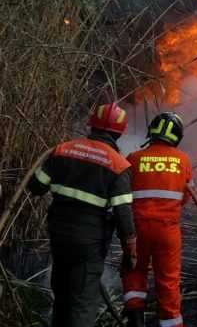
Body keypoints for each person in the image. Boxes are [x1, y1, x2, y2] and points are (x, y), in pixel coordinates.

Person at [28, 102, 137, 327]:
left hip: (58, 236)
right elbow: (123, 214)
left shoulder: (63, 150)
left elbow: (37, 187)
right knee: (82, 304)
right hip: (89, 244)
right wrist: (130, 251)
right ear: (119, 132)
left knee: (62, 296)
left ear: (92, 125)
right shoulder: (119, 166)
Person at [122, 112, 192, 327]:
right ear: (177, 136)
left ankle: (135, 319)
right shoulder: (183, 160)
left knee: (134, 269)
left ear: (151, 131)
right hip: (167, 231)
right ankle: (171, 323)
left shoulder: (133, 158)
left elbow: (122, 195)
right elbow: (186, 197)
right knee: (169, 280)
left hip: (138, 228)